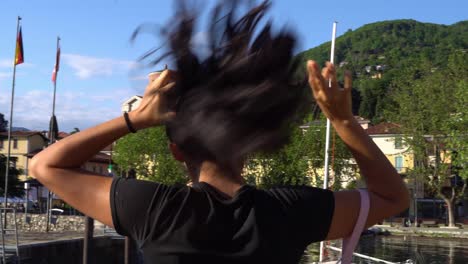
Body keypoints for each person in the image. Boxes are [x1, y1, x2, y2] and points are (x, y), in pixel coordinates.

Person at [30, 1, 409, 263]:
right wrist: (343, 121)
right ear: (248, 144)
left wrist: (136, 118)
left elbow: (46, 166)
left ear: (178, 150)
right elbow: (392, 197)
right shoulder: (290, 212)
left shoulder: (155, 209)